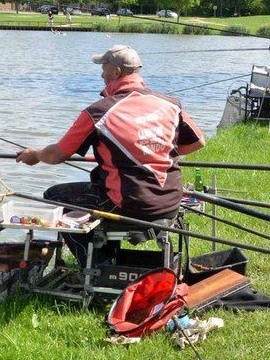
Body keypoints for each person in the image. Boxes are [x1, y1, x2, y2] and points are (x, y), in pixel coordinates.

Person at [15, 44, 206, 264]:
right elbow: (197, 142)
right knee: (101, 190)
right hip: (170, 201)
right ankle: (107, 256)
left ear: (116, 72)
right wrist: (154, 150)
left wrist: (36, 155)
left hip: (130, 204)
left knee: (55, 195)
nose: (101, 74)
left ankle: (96, 265)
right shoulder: (170, 104)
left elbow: (58, 154)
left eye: (104, 68)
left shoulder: (98, 112)